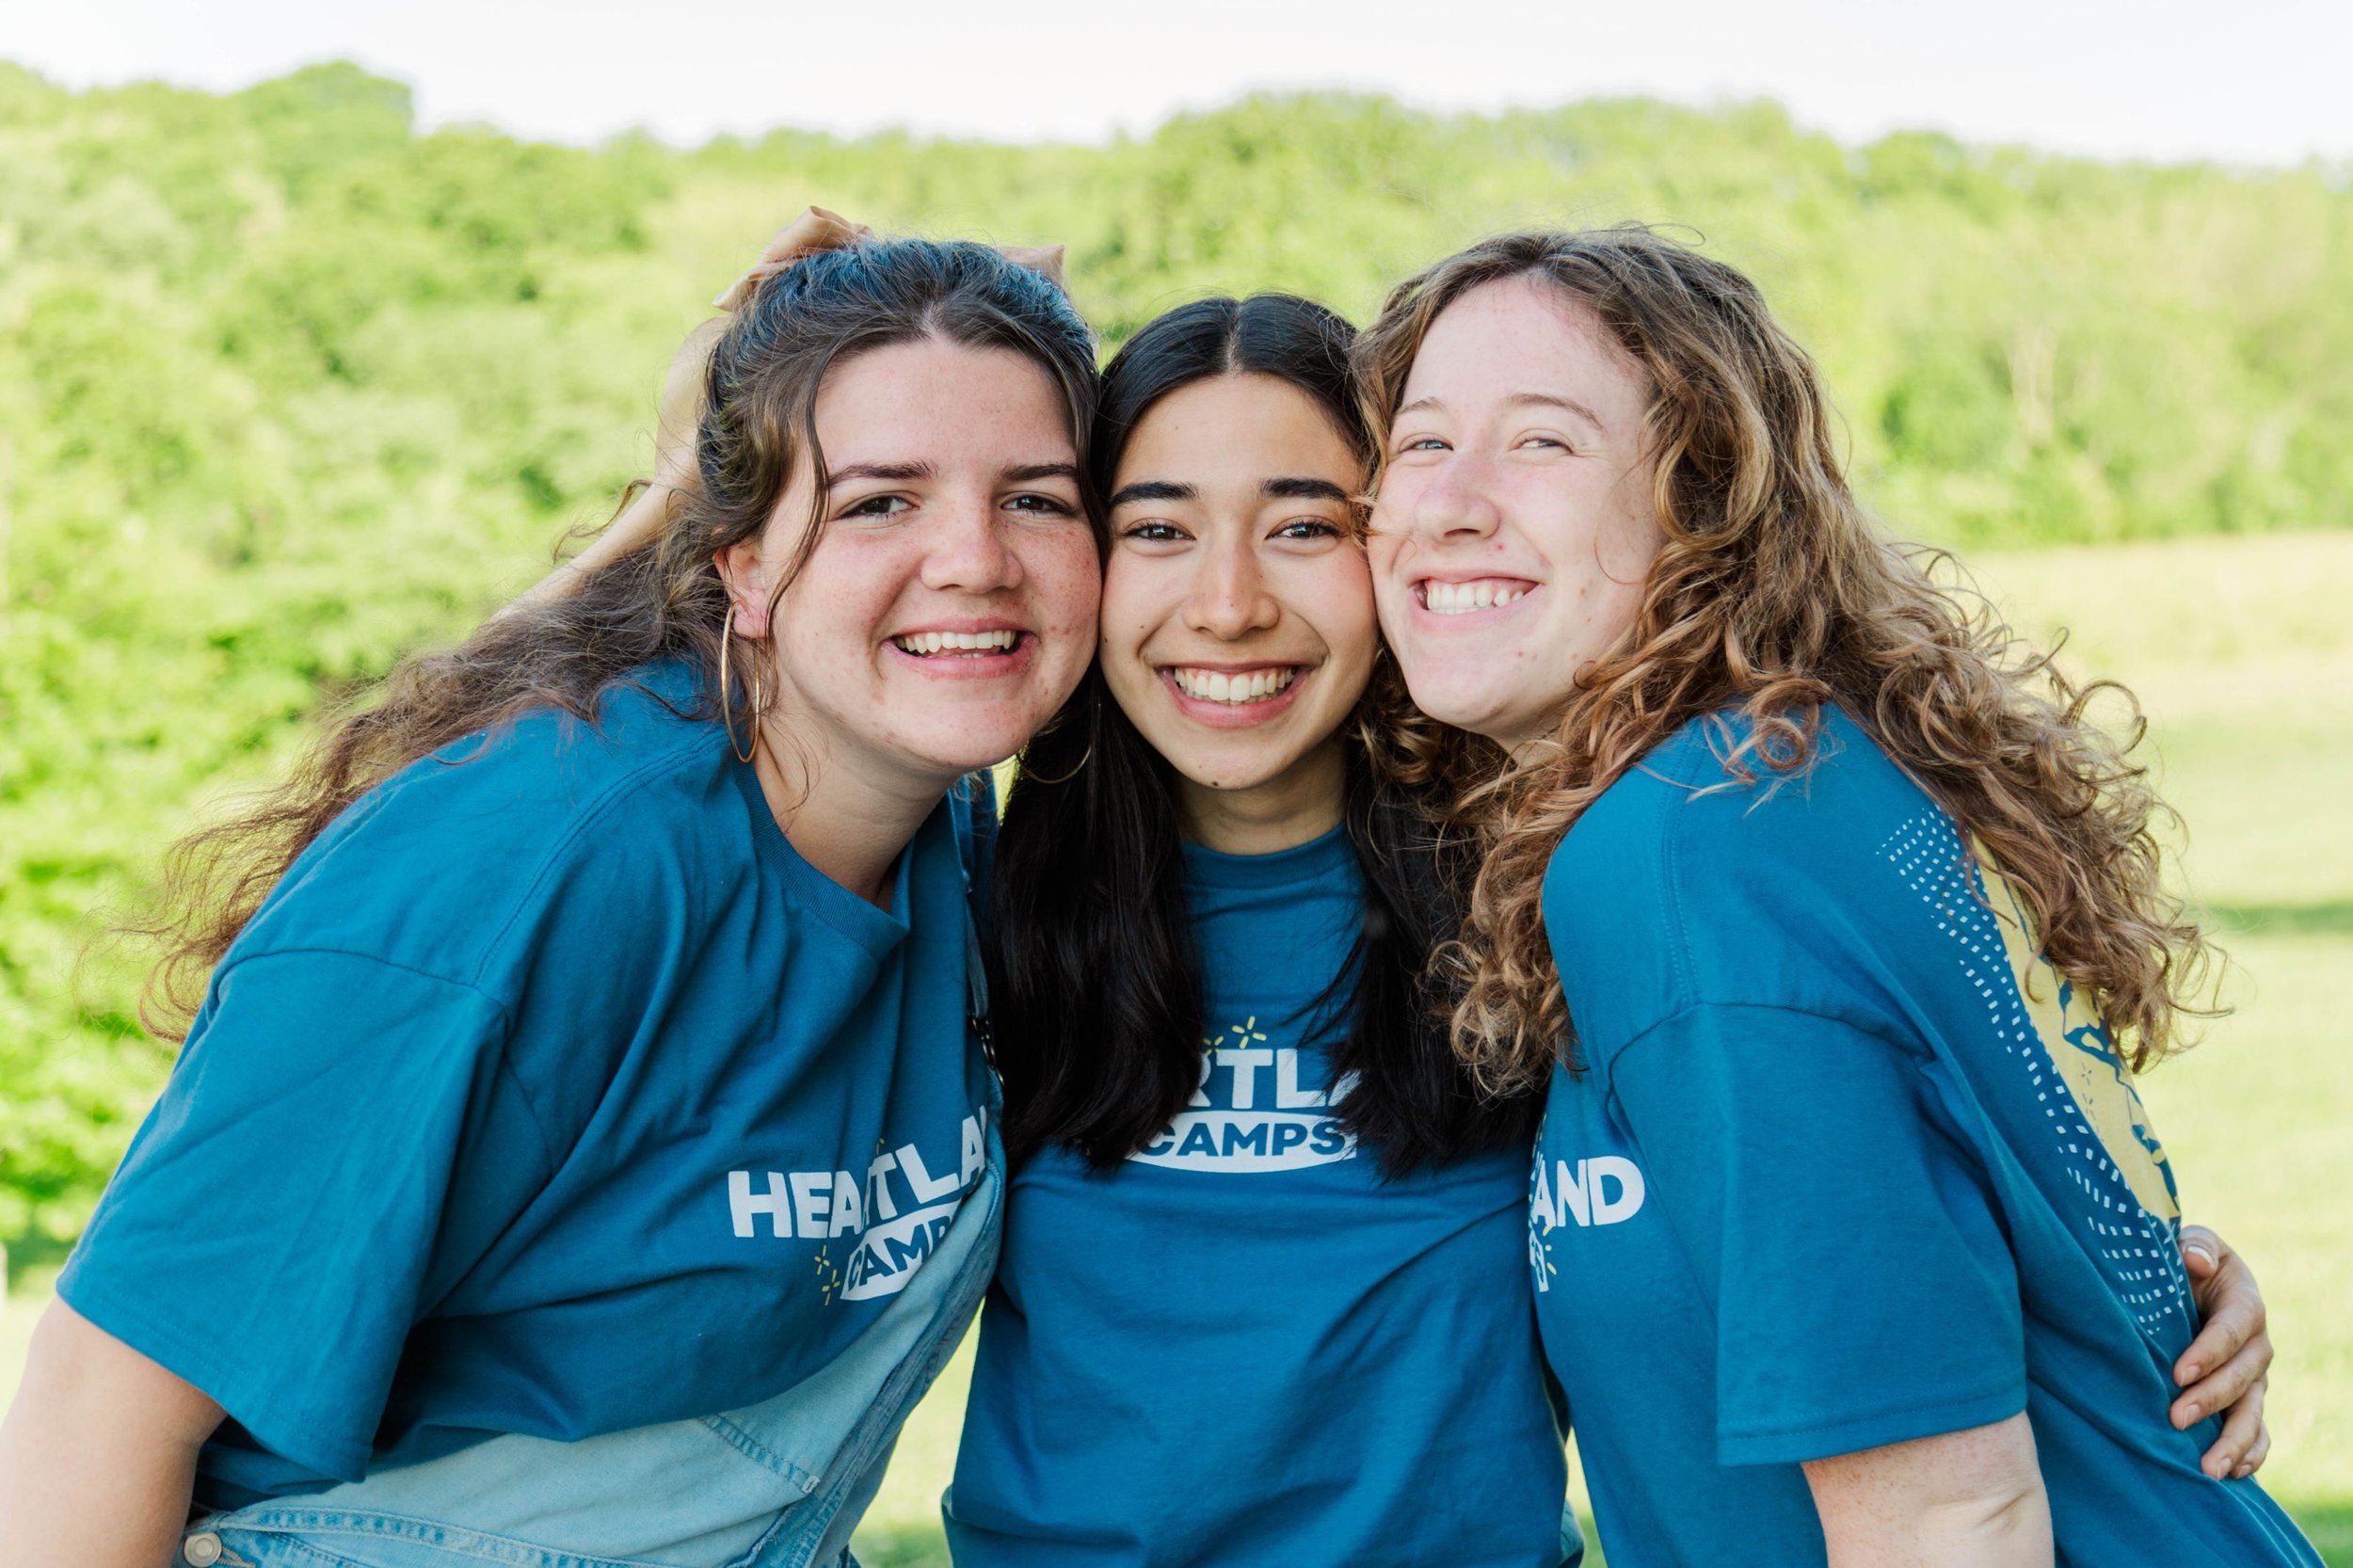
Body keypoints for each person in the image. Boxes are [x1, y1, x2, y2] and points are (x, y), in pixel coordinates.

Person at [0, 233, 1103, 1568]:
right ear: (742, 567)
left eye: (1038, 498)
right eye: (880, 502)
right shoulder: (527, 874)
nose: (976, 558)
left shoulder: (953, 827)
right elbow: (97, 1402)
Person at [1353, 228, 2314, 1565]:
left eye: (1544, 442)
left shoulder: (1693, 851)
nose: (1451, 501)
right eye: (1421, 443)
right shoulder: (1771, 786)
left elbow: (1948, 1521)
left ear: (1704, 502)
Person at [940, 295, 1572, 1566]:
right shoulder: (968, 890)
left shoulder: (1544, 899)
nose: (1227, 605)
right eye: (1159, 529)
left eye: (1302, 527)